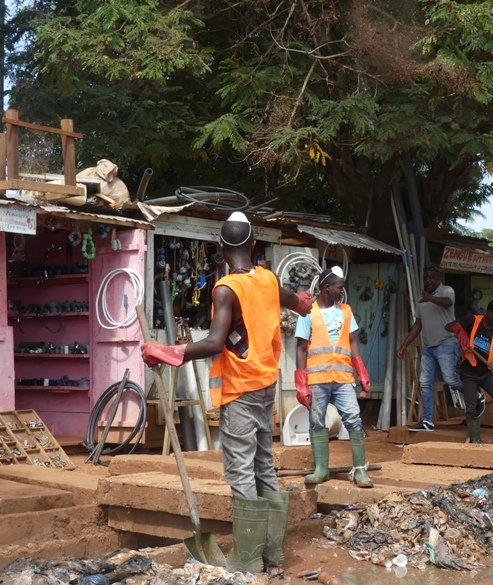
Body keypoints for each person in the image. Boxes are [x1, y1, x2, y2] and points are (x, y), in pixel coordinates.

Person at [140, 212, 313, 574]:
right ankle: (272, 556)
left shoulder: (225, 289)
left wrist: (171, 352)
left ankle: (248, 559)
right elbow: (299, 303)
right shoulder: (267, 279)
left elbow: (217, 342)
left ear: (221, 248)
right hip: (266, 386)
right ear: (253, 245)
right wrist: (304, 302)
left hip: (240, 391)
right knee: (263, 464)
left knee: (240, 472)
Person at [294, 266, 373, 488]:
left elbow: (353, 341)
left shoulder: (346, 311)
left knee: (353, 419)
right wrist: (301, 384)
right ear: (327, 288)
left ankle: (359, 470)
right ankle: (321, 469)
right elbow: (301, 348)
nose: (342, 292)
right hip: (317, 378)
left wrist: (362, 372)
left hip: (343, 376)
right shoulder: (307, 312)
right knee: (317, 421)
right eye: (340, 288)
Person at [397, 266, 473, 431]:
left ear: (439, 279)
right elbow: (418, 324)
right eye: (426, 278)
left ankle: (474, 394)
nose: (428, 280)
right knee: (425, 383)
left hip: (446, 343)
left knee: (450, 379)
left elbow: (447, 303)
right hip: (429, 347)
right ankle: (428, 422)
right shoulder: (422, 299)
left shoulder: (447, 290)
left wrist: (430, 298)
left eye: (432, 278)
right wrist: (405, 345)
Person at [447, 300, 493, 444]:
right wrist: (461, 331)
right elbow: (449, 326)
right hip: (469, 373)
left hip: (486, 373)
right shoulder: (473, 320)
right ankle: (475, 439)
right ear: (489, 313)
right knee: (471, 408)